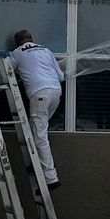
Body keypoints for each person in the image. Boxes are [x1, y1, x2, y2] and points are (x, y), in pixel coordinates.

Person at [8, 29, 64, 191]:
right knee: (38, 129)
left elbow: (7, 74)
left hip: (39, 93)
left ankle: (50, 177)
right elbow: (61, 76)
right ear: (31, 39)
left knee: (39, 134)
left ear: (16, 42)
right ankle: (37, 163)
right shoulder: (46, 50)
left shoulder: (16, 53)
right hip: (55, 91)